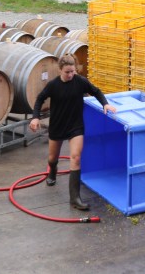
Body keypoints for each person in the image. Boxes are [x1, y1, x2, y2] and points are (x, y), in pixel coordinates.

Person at [29, 53, 116, 210]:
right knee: (52, 157)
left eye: (73, 71)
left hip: (75, 126)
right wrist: (35, 118)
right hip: (57, 125)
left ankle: (75, 199)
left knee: (75, 158)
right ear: (60, 70)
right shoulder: (53, 85)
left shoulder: (80, 82)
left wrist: (105, 104)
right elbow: (40, 99)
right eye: (67, 72)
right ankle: (52, 171)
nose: (70, 75)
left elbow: (96, 91)